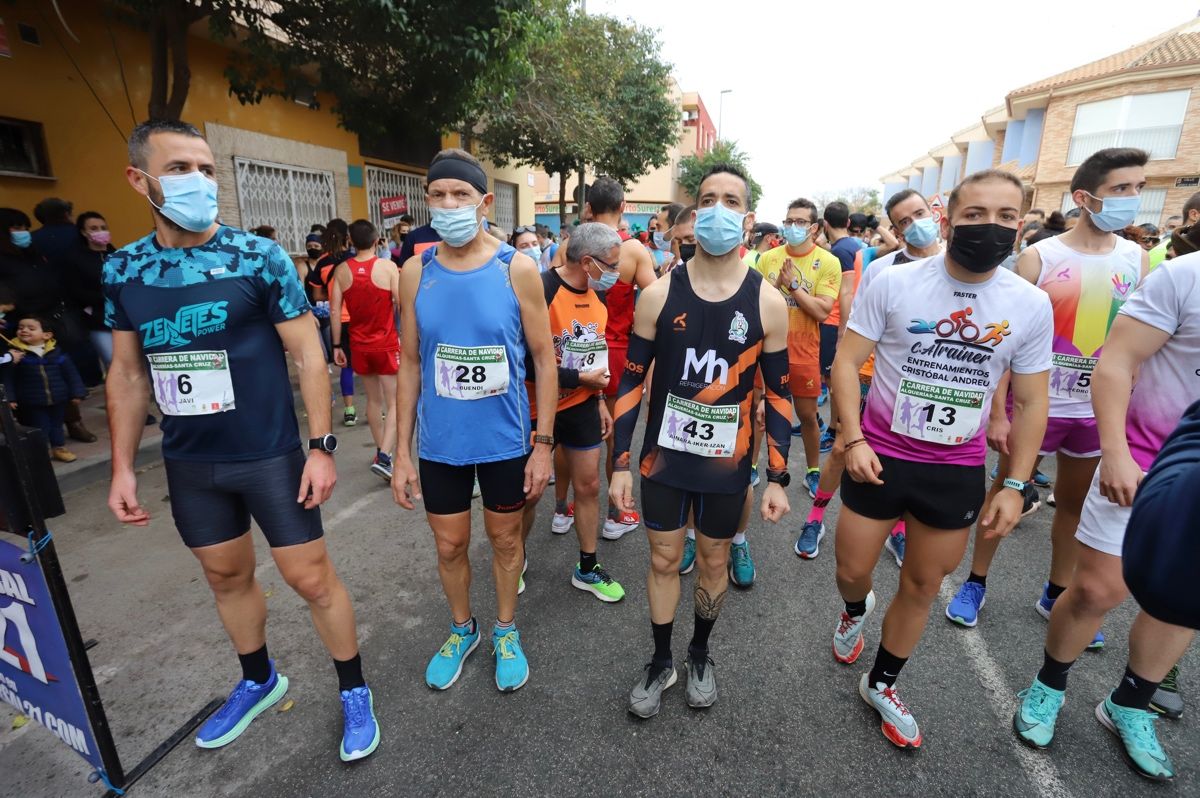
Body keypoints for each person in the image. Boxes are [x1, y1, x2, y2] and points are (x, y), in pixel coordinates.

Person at [103, 119, 378, 761]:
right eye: (179, 169)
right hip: (191, 462)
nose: (199, 181)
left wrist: (320, 445)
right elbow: (125, 372)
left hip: (268, 454)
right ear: (138, 179)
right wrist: (121, 468)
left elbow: (309, 354)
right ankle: (258, 679)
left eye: (206, 169)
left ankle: (353, 690)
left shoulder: (257, 258)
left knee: (310, 579)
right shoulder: (123, 269)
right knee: (225, 576)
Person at [831, 169, 1052, 749]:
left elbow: (1031, 400)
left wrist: (1015, 483)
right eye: (977, 214)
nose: (992, 226)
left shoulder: (1029, 304)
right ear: (949, 220)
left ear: (1021, 223)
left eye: (1007, 216)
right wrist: (852, 439)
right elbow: (846, 363)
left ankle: (882, 682)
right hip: (879, 455)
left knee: (924, 583)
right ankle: (855, 610)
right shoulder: (894, 283)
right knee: (852, 571)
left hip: (955, 469)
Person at [610, 164, 792, 718]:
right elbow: (631, 382)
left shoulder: (769, 304)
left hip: (726, 465)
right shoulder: (659, 294)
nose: (718, 209)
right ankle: (661, 659)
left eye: (730, 200)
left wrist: (779, 476)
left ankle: (699, 654)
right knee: (664, 560)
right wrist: (620, 462)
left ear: (748, 217)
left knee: (713, 562)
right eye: (708, 199)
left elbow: (779, 397)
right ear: (694, 214)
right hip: (664, 460)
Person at [1012, 249, 1200, 781]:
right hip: (1147, 462)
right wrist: (1114, 452)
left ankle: (1130, 704)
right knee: (1096, 590)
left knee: (1183, 603)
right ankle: (1048, 685)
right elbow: (1116, 360)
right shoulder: (1185, 276)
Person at [946, 148, 1149, 633]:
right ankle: (976, 581)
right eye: (1122, 189)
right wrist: (999, 412)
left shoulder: (1138, 259)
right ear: (1085, 197)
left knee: (1074, 507)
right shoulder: (1040, 257)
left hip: (1093, 414)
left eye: (1138, 188)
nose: (1133, 199)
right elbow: (1004, 342)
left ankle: (1057, 592)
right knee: (1006, 489)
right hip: (1035, 407)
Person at [392, 148, 556, 693]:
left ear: (484, 201)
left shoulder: (518, 268)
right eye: (437, 195)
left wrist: (543, 444)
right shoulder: (416, 271)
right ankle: (463, 629)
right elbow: (411, 362)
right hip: (442, 444)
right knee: (449, 546)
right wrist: (399, 453)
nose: (447, 204)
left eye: (460, 194)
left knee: (507, 542)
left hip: (505, 439)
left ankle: (506, 629)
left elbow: (544, 359)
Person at [794, 188, 942, 563]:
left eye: (919, 214)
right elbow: (856, 328)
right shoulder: (882, 268)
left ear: (935, 213)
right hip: (870, 375)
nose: (914, 225)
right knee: (844, 448)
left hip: (926, 382)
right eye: (904, 222)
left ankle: (899, 530)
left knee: (910, 456)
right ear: (896, 229)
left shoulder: (959, 269)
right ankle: (814, 519)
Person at [520, 222, 624, 601]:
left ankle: (587, 565)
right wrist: (582, 378)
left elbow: (592, 354)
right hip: (535, 409)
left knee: (590, 486)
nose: (616, 273)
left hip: (580, 405)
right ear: (587, 262)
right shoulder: (543, 290)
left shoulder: (599, 296)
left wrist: (597, 402)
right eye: (611, 265)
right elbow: (527, 363)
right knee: (529, 494)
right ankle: (514, 557)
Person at [753, 198, 840, 503]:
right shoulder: (768, 258)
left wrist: (793, 287)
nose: (793, 227)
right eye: (789, 221)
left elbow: (821, 312)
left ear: (814, 228)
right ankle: (752, 466)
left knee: (806, 415)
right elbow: (759, 305)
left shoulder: (828, 262)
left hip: (804, 351)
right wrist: (777, 287)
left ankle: (813, 470)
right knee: (760, 413)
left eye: (800, 222)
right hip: (767, 350)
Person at [586, 177, 658, 539]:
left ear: (587, 209)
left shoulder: (571, 246)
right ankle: (617, 513)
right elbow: (659, 297)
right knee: (616, 431)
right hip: (615, 350)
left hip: (573, 349)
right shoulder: (631, 251)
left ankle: (565, 508)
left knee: (573, 429)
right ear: (623, 207)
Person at [330, 219, 400, 481]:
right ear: (376, 241)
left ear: (350, 242)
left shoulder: (342, 270)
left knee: (373, 401)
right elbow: (400, 303)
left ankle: (384, 455)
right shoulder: (387, 267)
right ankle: (384, 455)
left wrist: (337, 344)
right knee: (394, 403)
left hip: (358, 344)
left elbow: (336, 310)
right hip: (385, 343)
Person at [5, 316, 86, 462]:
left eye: (31, 328)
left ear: (47, 335)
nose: (24, 331)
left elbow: (71, 374)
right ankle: (42, 450)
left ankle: (59, 447)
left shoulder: (57, 353)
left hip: (58, 397)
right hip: (31, 400)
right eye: (21, 327)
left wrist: (77, 392)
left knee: (57, 424)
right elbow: (8, 379)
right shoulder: (15, 354)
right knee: (39, 426)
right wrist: (10, 397)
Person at [821, 202, 864, 448]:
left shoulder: (839, 252)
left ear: (825, 223)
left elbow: (845, 292)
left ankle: (835, 429)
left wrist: (841, 330)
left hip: (835, 320)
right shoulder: (851, 245)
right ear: (848, 223)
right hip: (839, 319)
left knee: (834, 380)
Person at [307, 219, 357, 426]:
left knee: (346, 366)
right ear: (348, 237)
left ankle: (349, 410)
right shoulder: (354, 259)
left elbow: (317, 295)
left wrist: (332, 293)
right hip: (359, 318)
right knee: (371, 367)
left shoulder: (322, 263)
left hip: (338, 320)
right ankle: (376, 405)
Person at [64, 211, 116, 370]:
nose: (100, 231)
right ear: (83, 232)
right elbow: (75, 292)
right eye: (94, 228)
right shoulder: (75, 259)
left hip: (125, 319)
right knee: (113, 363)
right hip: (98, 321)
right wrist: (107, 297)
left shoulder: (117, 255)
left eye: (103, 227)